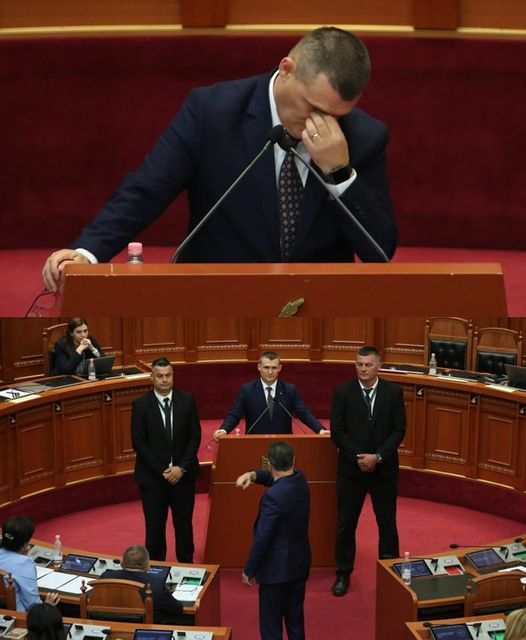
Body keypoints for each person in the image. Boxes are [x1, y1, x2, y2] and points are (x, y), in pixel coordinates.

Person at [42, 26, 398, 292]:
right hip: (216, 292)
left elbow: (380, 252)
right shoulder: (212, 112)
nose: (321, 123)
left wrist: (339, 173)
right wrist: (88, 252)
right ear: (287, 68)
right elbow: (146, 189)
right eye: (313, 107)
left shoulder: (362, 136)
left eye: (337, 114)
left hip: (315, 301)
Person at [330, 345, 406, 597]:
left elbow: (399, 430)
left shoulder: (393, 392)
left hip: (384, 470)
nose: (363, 369)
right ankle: (343, 573)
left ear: (378, 366)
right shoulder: (343, 392)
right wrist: (360, 457)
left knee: (387, 524)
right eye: (359, 364)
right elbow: (337, 431)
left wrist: (378, 457)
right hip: (351, 470)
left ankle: (391, 574)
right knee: (345, 524)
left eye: (368, 365)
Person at [236, 441, 310, 640]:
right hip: (299, 564)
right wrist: (253, 475)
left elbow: (263, 537)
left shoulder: (273, 496)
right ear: (293, 460)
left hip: (276, 572)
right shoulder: (300, 480)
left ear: (269, 463)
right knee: (295, 621)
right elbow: (274, 478)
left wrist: (249, 570)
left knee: (271, 628)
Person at [131, 357, 201, 562]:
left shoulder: (187, 400)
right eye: (160, 376)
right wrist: (163, 470)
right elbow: (139, 442)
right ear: (151, 378)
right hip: (153, 479)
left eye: (168, 375)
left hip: (183, 477)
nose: (164, 380)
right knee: (154, 529)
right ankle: (155, 570)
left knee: (184, 527)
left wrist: (181, 468)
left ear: (173, 376)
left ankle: (187, 567)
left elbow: (195, 436)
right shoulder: (141, 405)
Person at [213, 351, 328, 439]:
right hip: (255, 442)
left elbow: (304, 413)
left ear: (280, 368)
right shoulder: (247, 390)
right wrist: (224, 430)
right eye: (266, 367)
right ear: (259, 367)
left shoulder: (289, 389)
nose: (270, 372)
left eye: (274, 368)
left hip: (283, 444)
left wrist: (319, 429)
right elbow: (234, 415)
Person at [100, 544, 185, 624]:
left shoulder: (106, 577)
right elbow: (177, 609)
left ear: (122, 562)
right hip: (145, 629)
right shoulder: (156, 583)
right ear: (147, 566)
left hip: (108, 625)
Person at [0, 516, 60, 611]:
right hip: (19, 617)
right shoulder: (24, 563)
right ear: (25, 544)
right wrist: (48, 606)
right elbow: (33, 605)